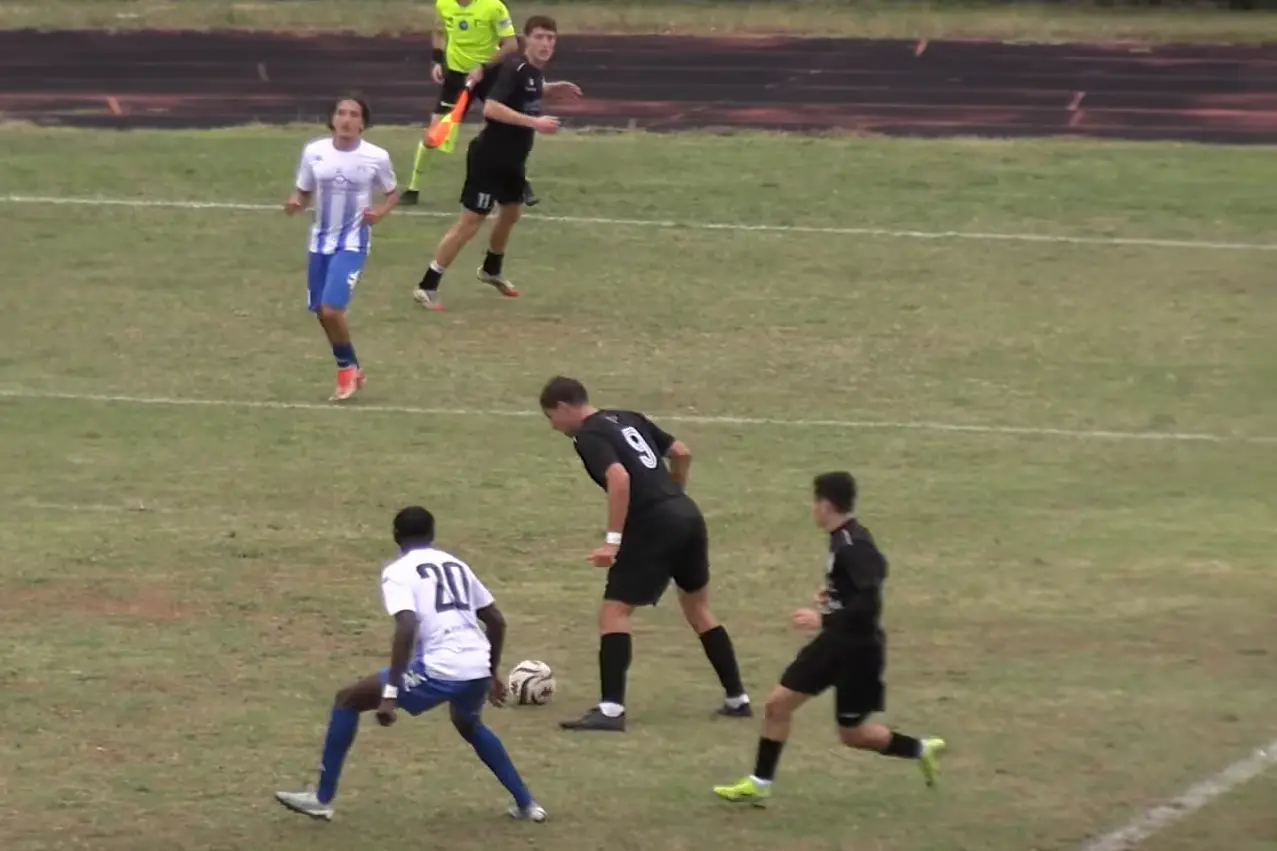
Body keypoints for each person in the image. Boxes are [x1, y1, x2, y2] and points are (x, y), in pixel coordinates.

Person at [274, 506, 547, 823]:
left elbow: (406, 626)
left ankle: (321, 799)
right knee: (469, 723)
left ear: (396, 536)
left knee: (347, 699)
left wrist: (390, 693)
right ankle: (527, 804)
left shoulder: (398, 571)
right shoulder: (456, 564)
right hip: (476, 663)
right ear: (432, 534)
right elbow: (496, 621)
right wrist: (492, 671)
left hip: (443, 667)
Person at [713, 472, 945, 806]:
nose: (813, 509)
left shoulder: (853, 545)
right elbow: (871, 577)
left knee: (854, 735)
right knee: (778, 705)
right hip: (834, 643)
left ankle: (920, 749)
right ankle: (760, 782)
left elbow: (870, 601)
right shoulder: (846, 537)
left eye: (814, 502)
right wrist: (835, 590)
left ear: (825, 504)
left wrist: (824, 616)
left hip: (859, 652)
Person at [538, 376, 750, 732]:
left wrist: (613, 541)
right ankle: (737, 698)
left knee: (614, 612)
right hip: (686, 514)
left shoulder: (588, 436)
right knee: (698, 608)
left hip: (652, 524)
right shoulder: (627, 416)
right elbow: (681, 451)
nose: (552, 426)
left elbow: (619, 479)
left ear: (564, 406)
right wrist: (674, 493)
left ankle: (610, 710)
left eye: (551, 417)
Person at [413, 15, 581, 311]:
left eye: (550, 38)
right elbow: (491, 108)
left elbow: (530, 88)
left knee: (511, 211)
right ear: (525, 39)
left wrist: (553, 88)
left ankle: (491, 268)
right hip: (489, 158)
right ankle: (427, 285)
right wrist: (535, 122)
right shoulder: (514, 67)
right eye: (539, 37)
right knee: (470, 222)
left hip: (512, 161)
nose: (545, 44)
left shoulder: (531, 72)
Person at [285, 95, 397, 402]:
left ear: (363, 123)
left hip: (352, 242)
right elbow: (304, 190)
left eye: (354, 114)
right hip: (320, 242)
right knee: (322, 312)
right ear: (332, 119)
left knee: (332, 308)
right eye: (341, 113)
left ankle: (346, 370)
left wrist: (379, 214)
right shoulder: (314, 152)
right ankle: (350, 367)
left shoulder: (376, 157)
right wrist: (297, 202)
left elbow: (391, 193)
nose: (347, 119)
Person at [400, 0, 538, 207]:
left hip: (489, 75)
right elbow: (439, 30)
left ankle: (521, 181)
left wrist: (483, 65)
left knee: (507, 131)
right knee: (434, 135)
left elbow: (511, 44)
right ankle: (413, 189)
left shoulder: (493, 6)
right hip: (456, 78)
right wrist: (437, 60)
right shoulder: (444, 4)